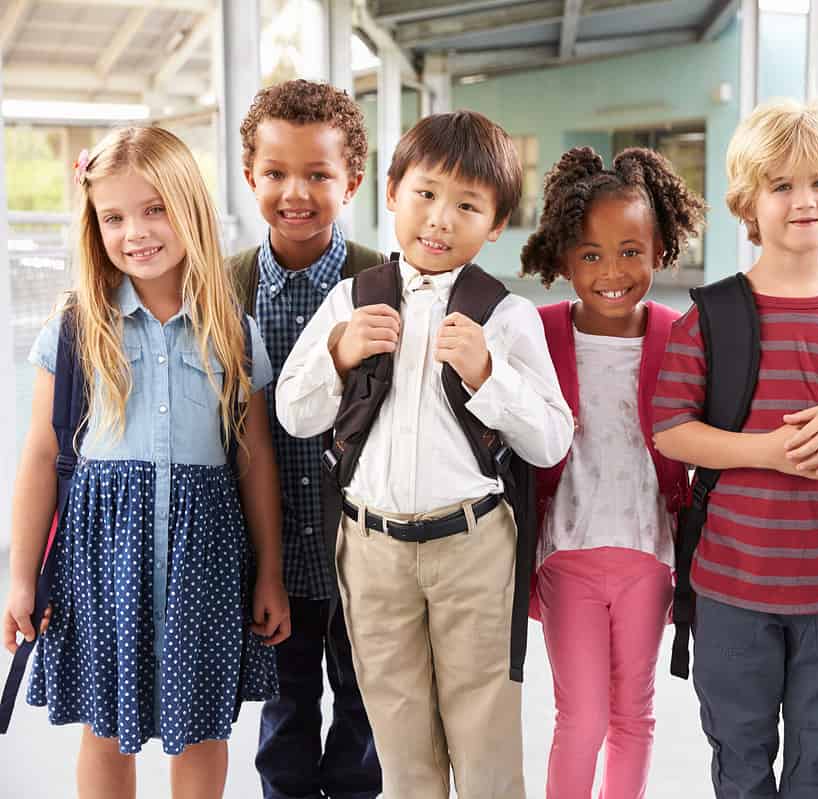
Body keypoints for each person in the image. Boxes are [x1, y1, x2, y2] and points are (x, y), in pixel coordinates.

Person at [274, 110, 573, 799]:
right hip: (372, 548)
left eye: (467, 205)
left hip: (473, 546)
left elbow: (552, 437)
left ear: (496, 224)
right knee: (401, 744)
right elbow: (295, 410)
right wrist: (339, 351)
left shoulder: (505, 314)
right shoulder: (350, 299)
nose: (440, 219)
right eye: (426, 194)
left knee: (486, 741)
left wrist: (489, 375)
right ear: (391, 191)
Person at [2, 126, 289, 798]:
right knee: (104, 730)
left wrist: (270, 572)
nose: (136, 231)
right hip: (101, 561)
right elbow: (41, 457)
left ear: (189, 206)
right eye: (115, 217)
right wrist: (20, 578)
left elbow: (254, 460)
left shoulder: (235, 331)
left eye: (154, 208)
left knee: (203, 729)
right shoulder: (74, 330)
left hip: (209, 560)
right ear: (94, 225)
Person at [653, 98, 818, 798]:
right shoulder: (711, 315)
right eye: (782, 186)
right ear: (748, 202)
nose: (804, 201)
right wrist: (764, 451)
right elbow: (673, 430)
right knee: (740, 759)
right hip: (732, 588)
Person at [519, 145, 704, 799]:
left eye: (631, 250)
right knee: (583, 716)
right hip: (567, 553)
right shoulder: (536, 332)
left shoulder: (677, 332)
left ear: (660, 248)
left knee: (634, 716)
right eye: (590, 254)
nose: (611, 271)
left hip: (649, 557)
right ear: (562, 256)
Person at [231, 77, 384, 799]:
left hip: (363, 559)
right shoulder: (224, 288)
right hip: (271, 561)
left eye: (318, 174)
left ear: (351, 180)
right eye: (276, 173)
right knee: (284, 722)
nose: (296, 191)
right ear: (248, 176)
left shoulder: (382, 282)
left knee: (364, 722)